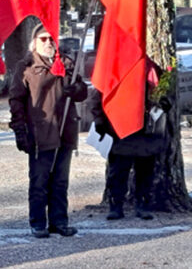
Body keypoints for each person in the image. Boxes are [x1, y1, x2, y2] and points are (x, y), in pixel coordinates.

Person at [9, 23, 87, 238]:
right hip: (40, 132)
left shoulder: (67, 64)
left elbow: (82, 93)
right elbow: (16, 101)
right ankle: (37, 222)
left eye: (52, 39)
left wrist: (77, 88)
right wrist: (20, 131)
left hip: (66, 129)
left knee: (60, 180)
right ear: (34, 43)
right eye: (43, 39)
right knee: (40, 179)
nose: (48, 43)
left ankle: (59, 221)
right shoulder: (25, 68)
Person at [90, 83, 169, 220]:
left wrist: (164, 103)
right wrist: (99, 119)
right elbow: (100, 90)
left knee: (145, 172)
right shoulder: (116, 68)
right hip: (120, 127)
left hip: (147, 129)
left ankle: (143, 204)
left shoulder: (152, 70)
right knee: (118, 172)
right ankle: (116, 205)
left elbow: (165, 92)